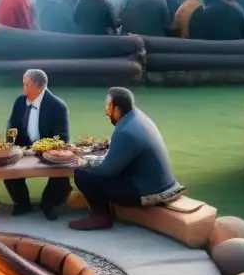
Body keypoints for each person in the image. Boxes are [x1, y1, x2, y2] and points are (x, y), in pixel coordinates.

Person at [69, 88, 181, 231]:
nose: (106, 110)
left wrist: (85, 161)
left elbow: (108, 170)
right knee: (92, 169)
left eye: (108, 106)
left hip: (150, 192)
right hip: (166, 185)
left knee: (82, 174)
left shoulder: (125, 131)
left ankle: (100, 217)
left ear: (117, 109)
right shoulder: (138, 117)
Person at [3, 69, 71, 220]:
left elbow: (63, 137)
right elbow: (11, 127)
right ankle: (22, 203)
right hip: (22, 149)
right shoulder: (20, 102)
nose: (23, 89)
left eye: (26, 85)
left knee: (61, 173)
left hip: (47, 151)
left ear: (38, 86)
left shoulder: (58, 106)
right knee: (6, 166)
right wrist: (10, 146)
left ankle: (49, 204)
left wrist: (42, 148)